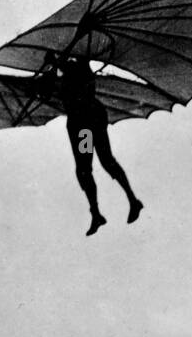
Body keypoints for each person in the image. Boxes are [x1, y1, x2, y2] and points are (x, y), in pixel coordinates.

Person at [42, 54, 143, 237]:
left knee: (100, 163)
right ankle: (101, 211)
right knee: (88, 168)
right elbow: (46, 92)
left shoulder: (79, 67)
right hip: (83, 124)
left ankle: (127, 201)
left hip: (87, 123)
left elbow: (78, 67)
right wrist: (50, 69)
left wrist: (55, 63)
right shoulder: (62, 75)